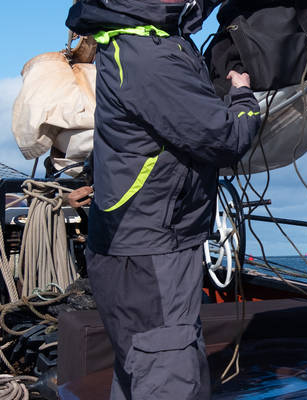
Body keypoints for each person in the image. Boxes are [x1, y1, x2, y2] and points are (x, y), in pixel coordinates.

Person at [66, 1, 260, 399]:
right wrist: (242, 99)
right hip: (152, 251)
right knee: (167, 373)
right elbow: (224, 138)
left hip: (139, 244)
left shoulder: (137, 41)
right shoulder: (149, 58)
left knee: (142, 366)